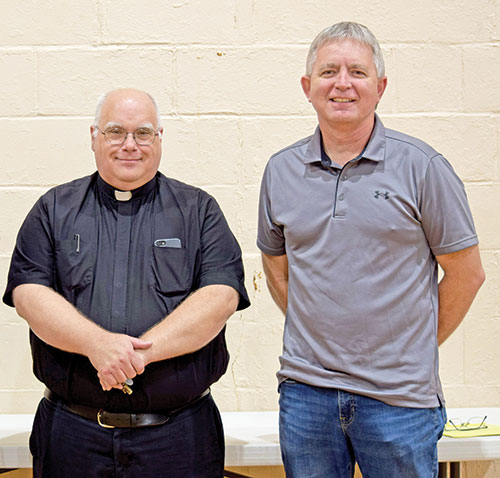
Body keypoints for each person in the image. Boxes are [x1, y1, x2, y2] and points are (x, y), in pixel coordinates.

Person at [257, 22, 485, 478]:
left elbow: (467, 273)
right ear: (307, 87)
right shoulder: (280, 170)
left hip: (398, 400)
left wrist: (412, 344)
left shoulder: (423, 167)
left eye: (357, 72)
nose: (342, 83)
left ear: (380, 87)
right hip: (307, 394)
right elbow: (277, 268)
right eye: (328, 72)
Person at [3, 88, 250, 478]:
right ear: (94, 136)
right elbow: (29, 294)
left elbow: (220, 297)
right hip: (72, 433)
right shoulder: (54, 209)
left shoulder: (199, 211)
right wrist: (96, 345)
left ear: (160, 138)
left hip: (179, 436)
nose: (129, 145)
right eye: (115, 131)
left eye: (143, 133)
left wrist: (135, 357)